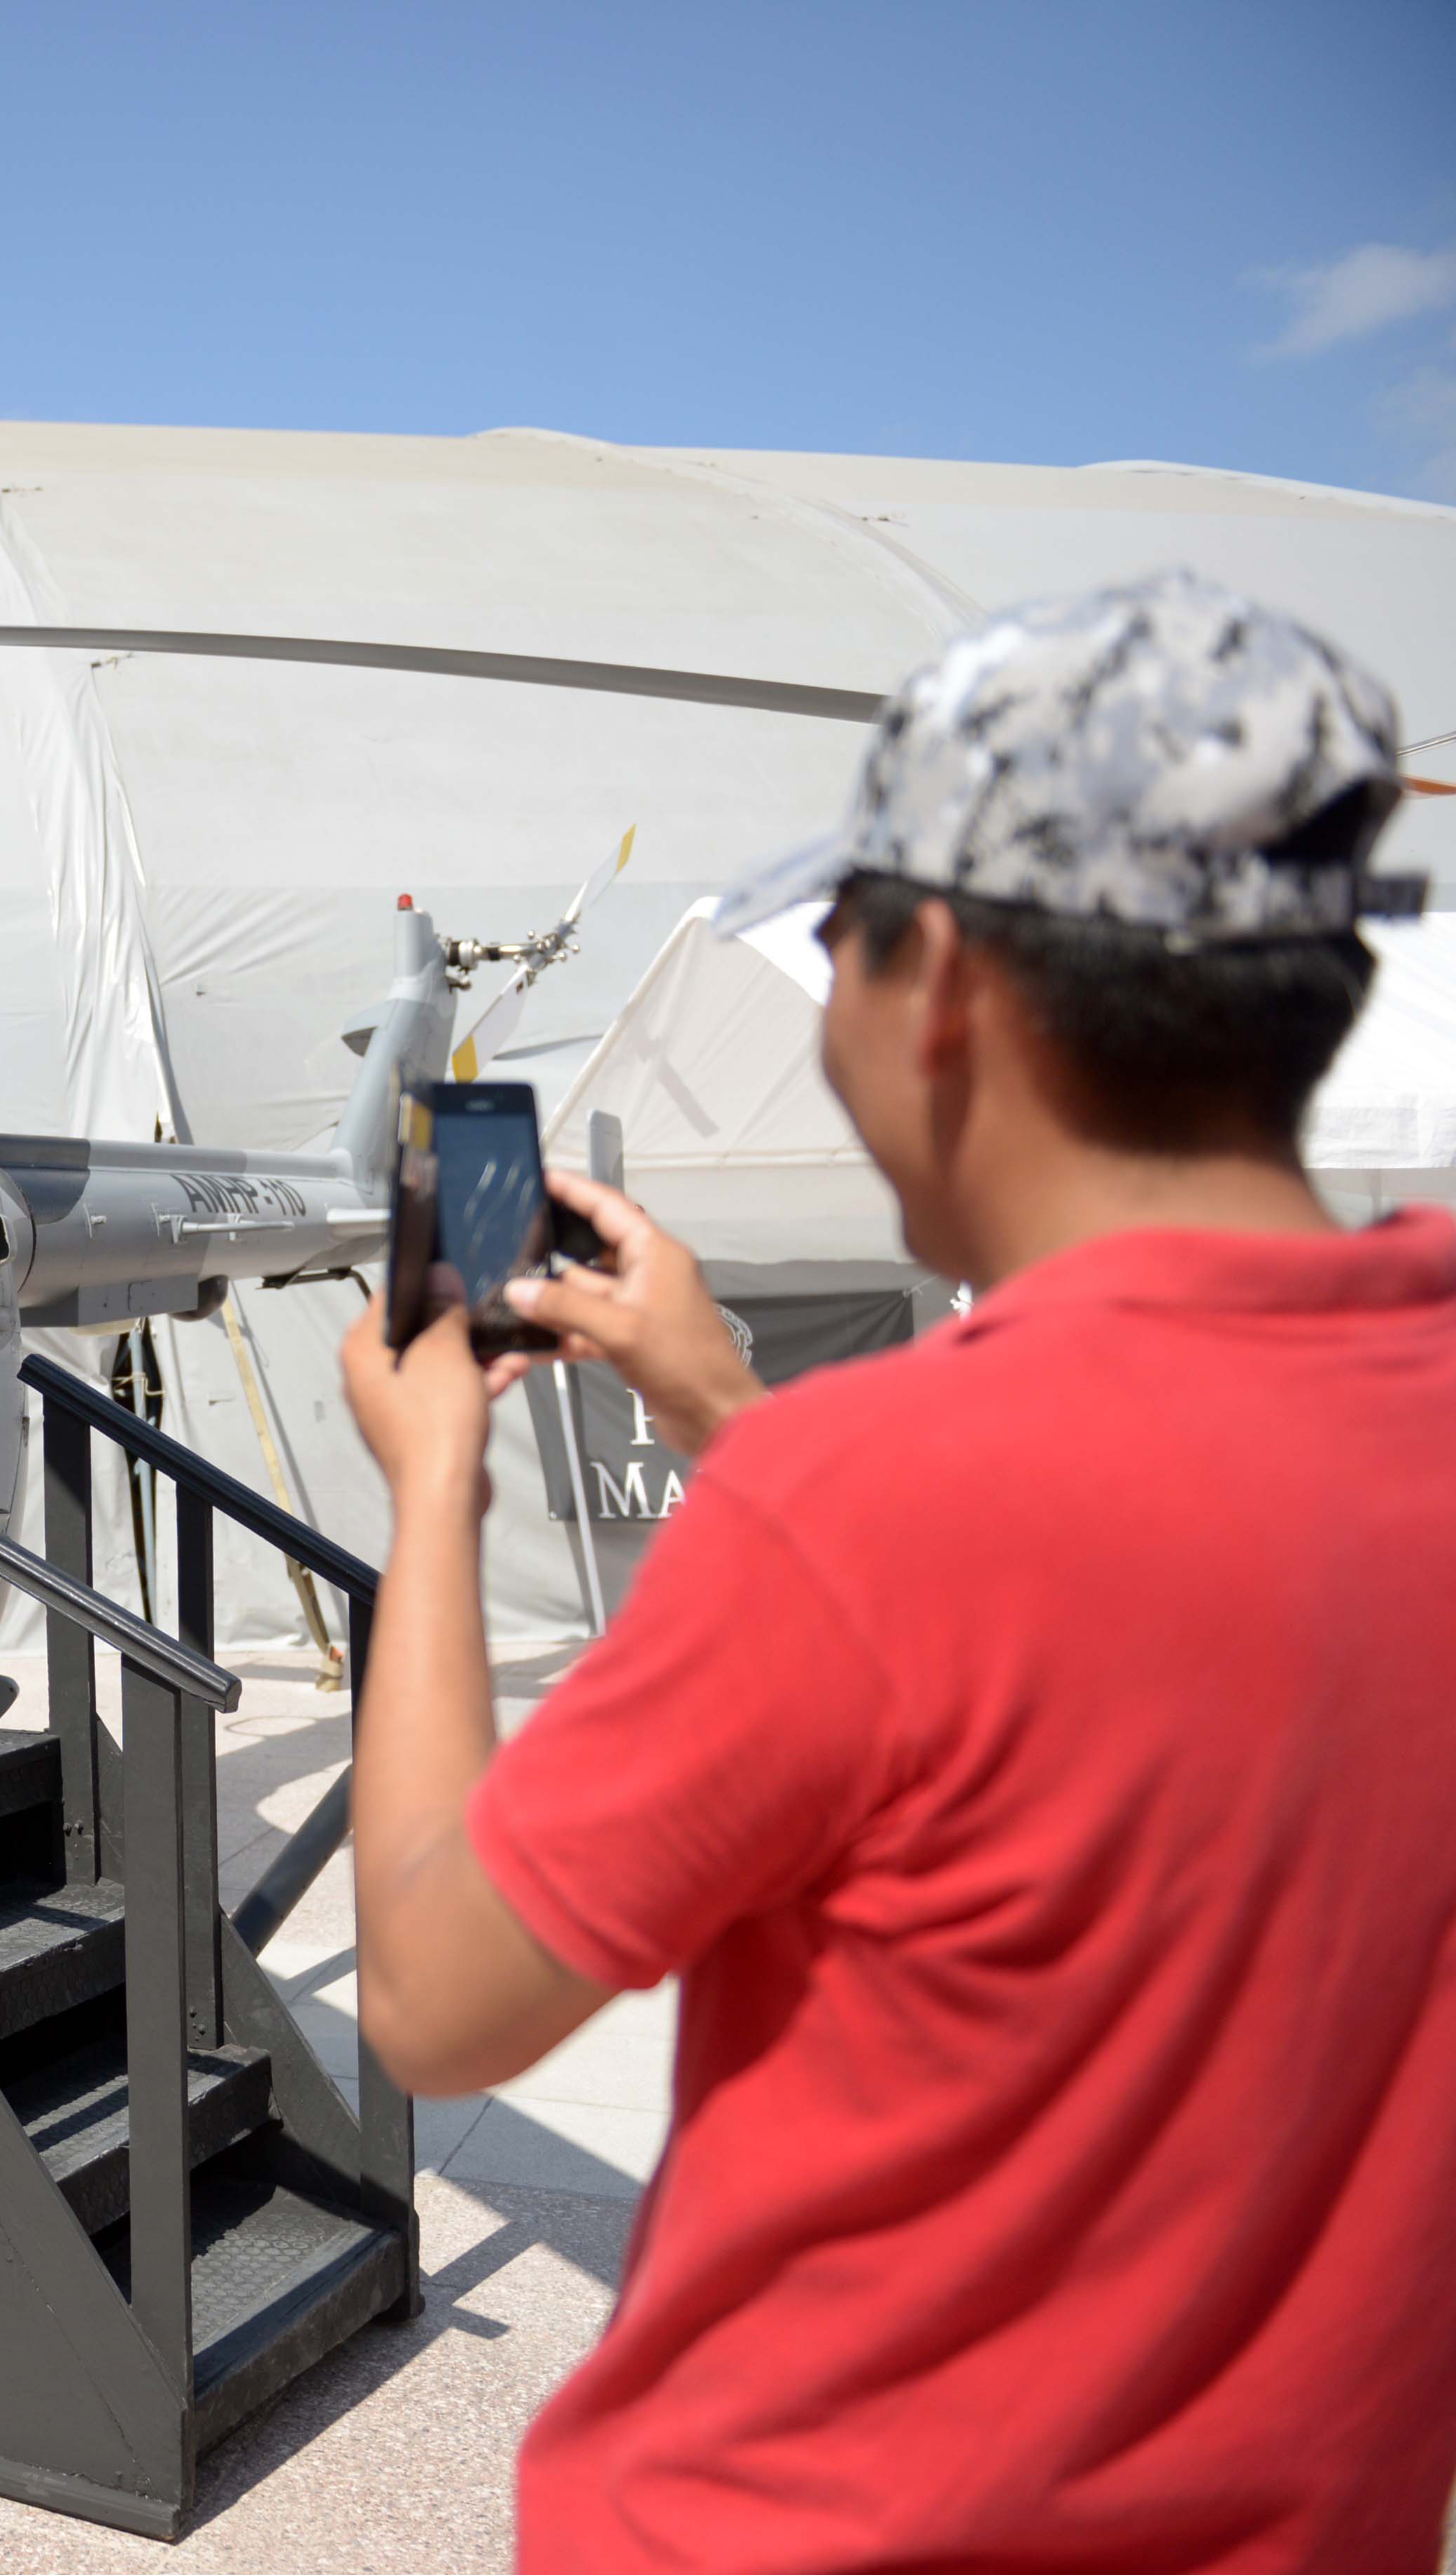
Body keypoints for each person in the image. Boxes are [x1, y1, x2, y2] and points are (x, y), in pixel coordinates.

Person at [334, 575, 1456, 2571]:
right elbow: (1087, 1609)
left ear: (934, 977)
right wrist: (719, 1393)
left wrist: (438, 1490)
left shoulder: (868, 1510)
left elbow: (436, 1999)